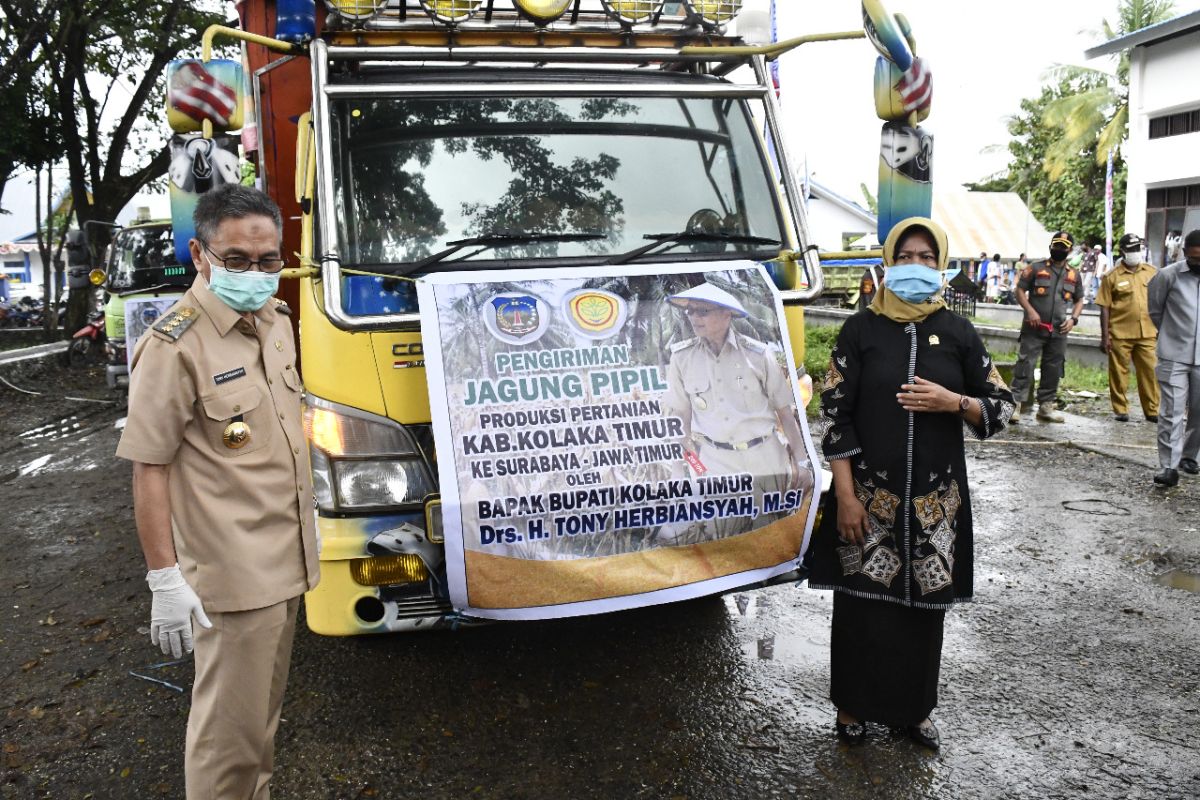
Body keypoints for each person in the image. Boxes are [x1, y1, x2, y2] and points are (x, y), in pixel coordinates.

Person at [116, 184, 319, 797]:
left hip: (287, 558)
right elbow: (149, 466)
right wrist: (165, 580)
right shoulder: (175, 345)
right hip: (232, 574)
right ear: (200, 255)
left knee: (259, 725)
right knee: (227, 742)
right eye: (237, 260)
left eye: (267, 260)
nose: (255, 273)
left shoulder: (275, 322)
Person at [806, 217, 1015, 751]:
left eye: (927, 258)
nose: (916, 267)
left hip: (934, 507)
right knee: (861, 607)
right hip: (867, 501)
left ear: (941, 264)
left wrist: (956, 403)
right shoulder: (862, 329)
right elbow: (833, 413)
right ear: (888, 262)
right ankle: (851, 709)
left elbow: (1002, 407)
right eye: (906, 256)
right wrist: (845, 495)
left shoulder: (960, 333)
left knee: (922, 617)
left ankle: (914, 712)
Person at [661, 283, 811, 540]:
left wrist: (802, 463)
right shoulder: (681, 358)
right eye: (691, 312)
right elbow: (681, 421)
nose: (695, 317)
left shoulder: (758, 354)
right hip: (715, 463)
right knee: (721, 539)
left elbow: (785, 414)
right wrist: (681, 471)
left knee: (770, 537)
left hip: (765, 459)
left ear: (727, 314)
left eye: (703, 311)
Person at [1010, 231, 1086, 423]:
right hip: (1034, 328)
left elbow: (1080, 300)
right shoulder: (1034, 268)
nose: (1058, 249)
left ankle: (1045, 406)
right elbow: (1019, 290)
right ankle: (1015, 405)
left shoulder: (1074, 274)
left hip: (1059, 331)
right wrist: (1030, 311)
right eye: (1056, 245)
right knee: (1025, 364)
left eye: (1063, 246)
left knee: (1053, 368)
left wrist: (1073, 319)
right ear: (1051, 246)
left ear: (1069, 250)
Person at [1147, 228, 1200, 487]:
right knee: (1172, 411)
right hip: (1173, 355)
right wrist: (1172, 334)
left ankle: (1190, 455)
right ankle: (1168, 467)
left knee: (1199, 411)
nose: (1197, 263)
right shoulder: (1167, 276)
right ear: (1184, 253)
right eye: (1193, 258)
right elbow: (1155, 311)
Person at [1096, 233, 1159, 423]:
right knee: (1119, 373)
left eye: (1137, 249)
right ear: (1122, 252)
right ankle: (1121, 409)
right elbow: (1104, 307)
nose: (1135, 253)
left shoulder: (1152, 272)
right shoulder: (1111, 277)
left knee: (1150, 372)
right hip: (1120, 333)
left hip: (1147, 332)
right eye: (1131, 250)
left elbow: (1161, 301)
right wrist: (1105, 336)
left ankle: (1152, 410)